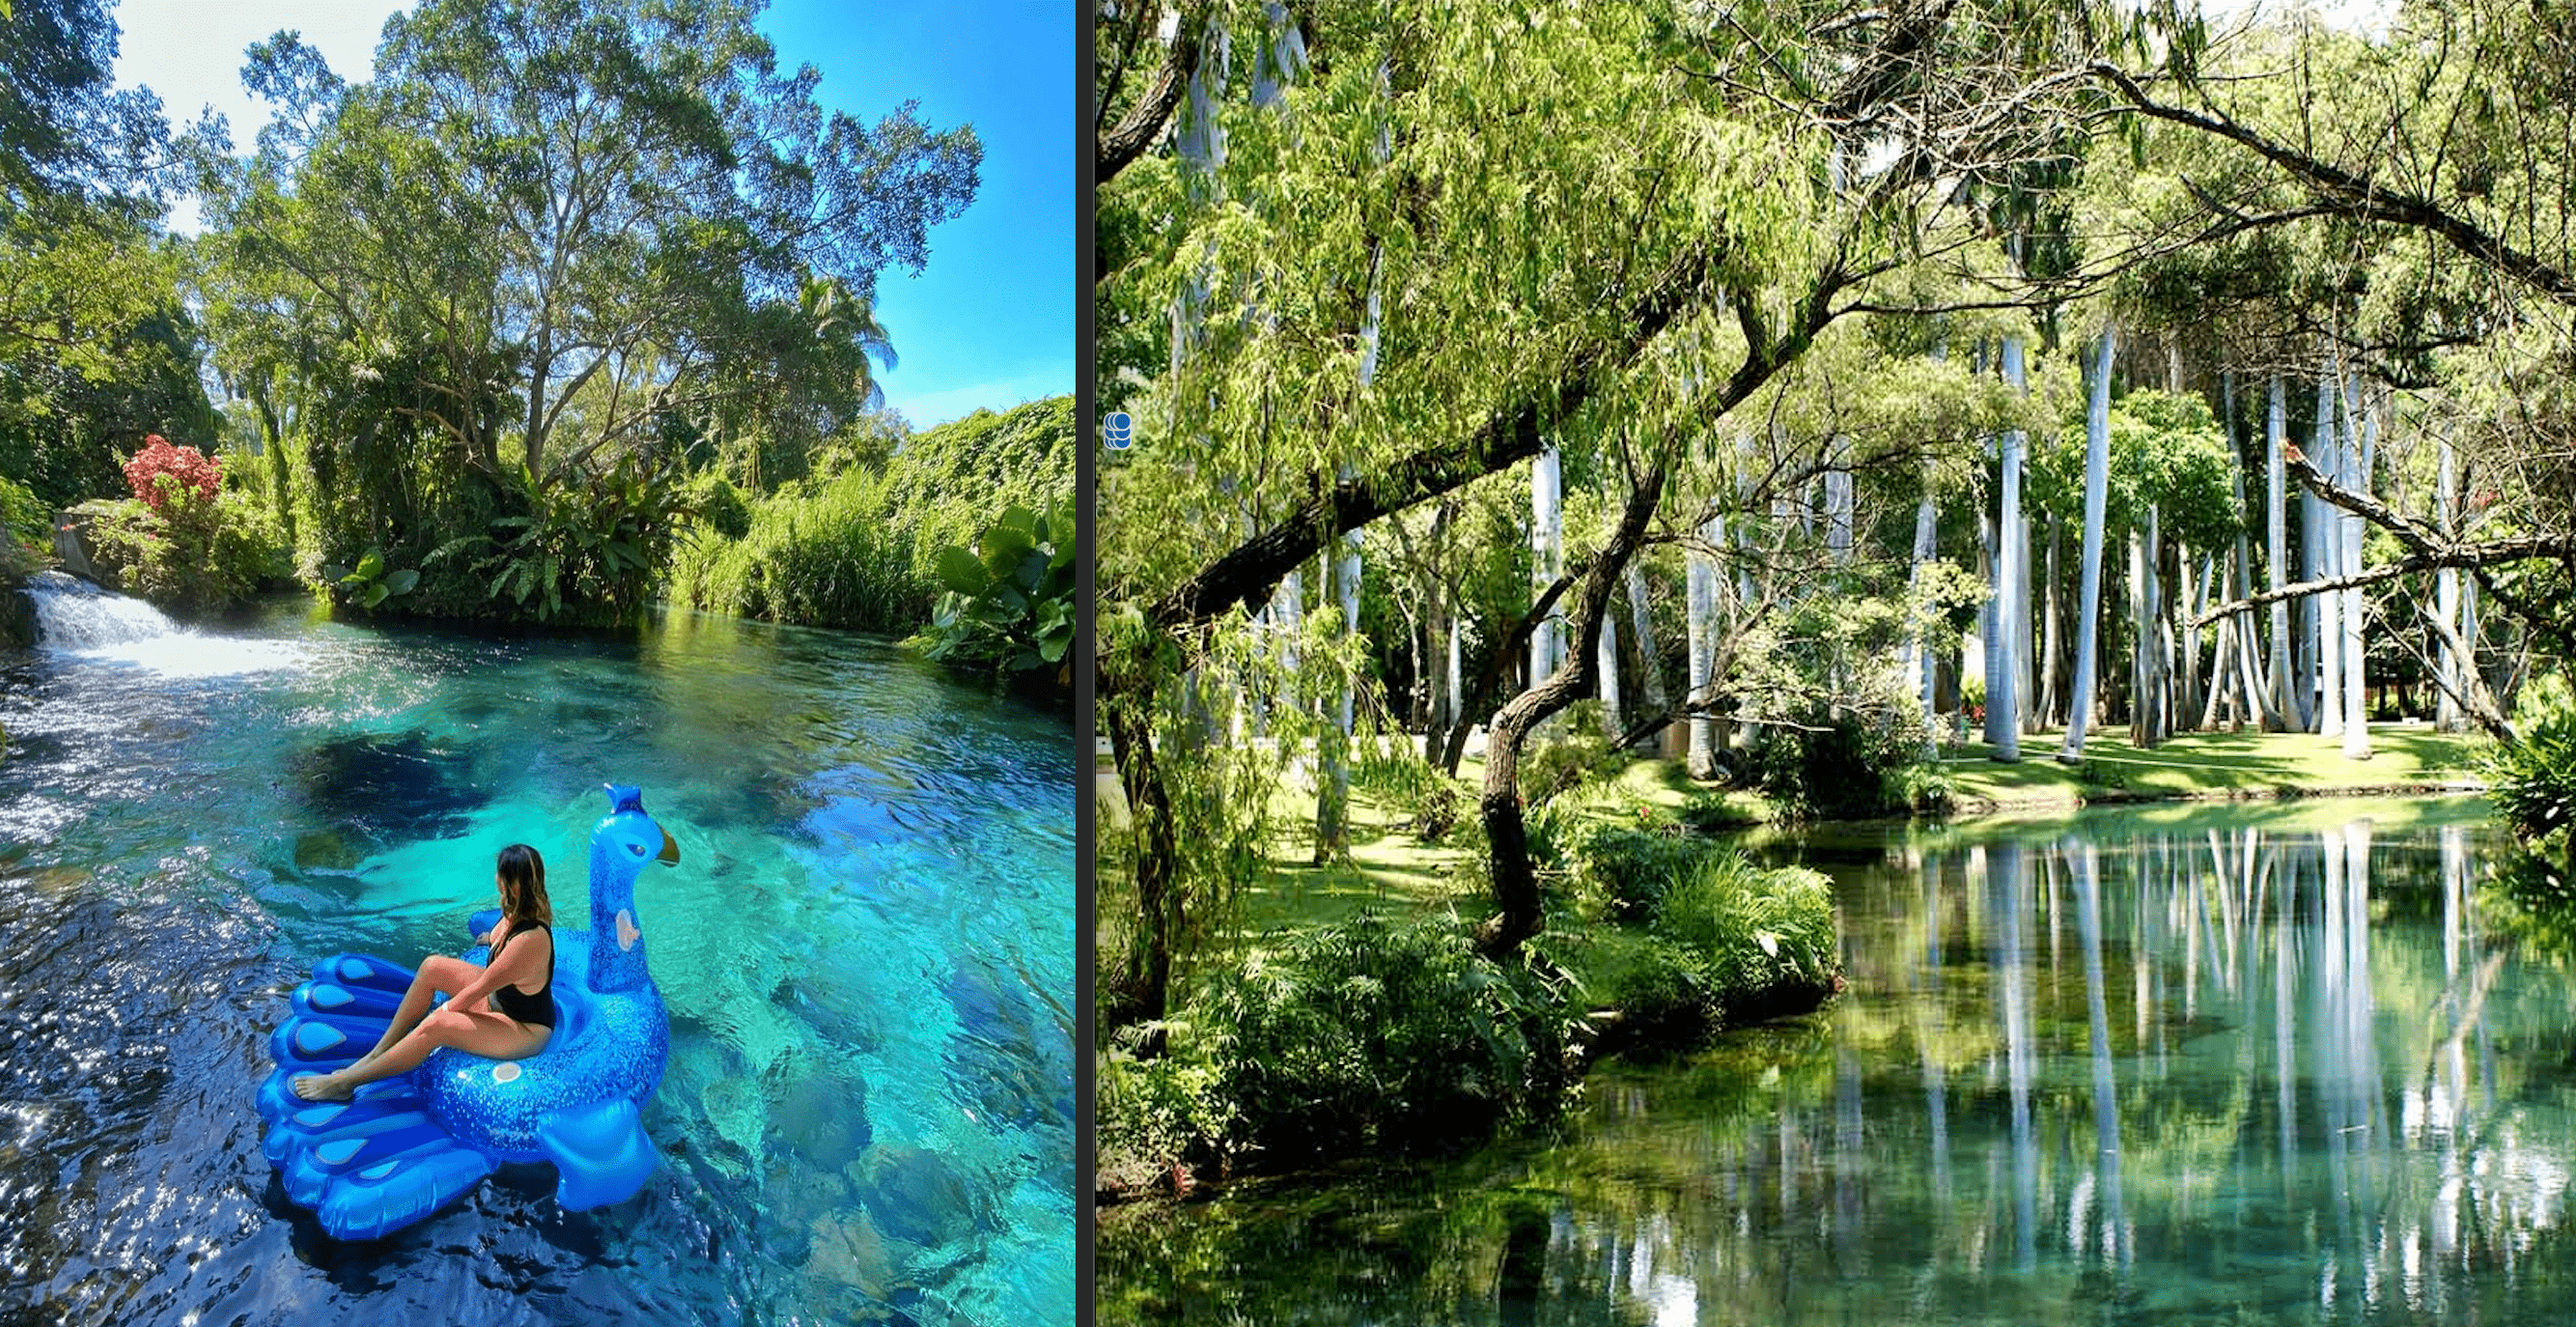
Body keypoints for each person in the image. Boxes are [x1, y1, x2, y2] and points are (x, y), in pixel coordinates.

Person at [292, 843, 558, 1101]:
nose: (494, 877)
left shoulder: (529, 940)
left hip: (523, 1029)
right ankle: (379, 1051)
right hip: (500, 1002)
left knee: (435, 1026)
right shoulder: (517, 912)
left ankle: (345, 1083)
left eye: (499, 873)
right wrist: (488, 938)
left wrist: (443, 1012)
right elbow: (500, 942)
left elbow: (482, 986)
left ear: (513, 885)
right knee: (433, 966)